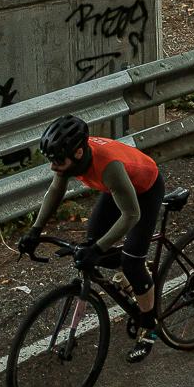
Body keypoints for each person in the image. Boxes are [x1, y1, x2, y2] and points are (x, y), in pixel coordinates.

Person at [18, 114, 164, 363]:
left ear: (77, 154)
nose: (53, 167)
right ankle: (136, 276)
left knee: (129, 260)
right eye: (51, 160)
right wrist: (35, 230)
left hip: (145, 191)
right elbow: (56, 190)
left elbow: (131, 215)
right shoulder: (69, 157)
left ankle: (150, 326)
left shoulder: (108, 167)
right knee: (92, 245)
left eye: (57, 161)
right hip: (116, 188)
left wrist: (99, 248)